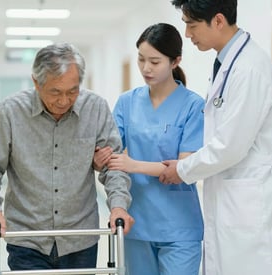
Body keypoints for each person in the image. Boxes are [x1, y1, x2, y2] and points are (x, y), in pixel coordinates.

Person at [159, 1, 272, 275]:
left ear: (218, 20)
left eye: (191, 24)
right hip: (234, 195)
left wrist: (182, 169)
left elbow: (229, 148)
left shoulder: (249, 68)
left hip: (251, 200)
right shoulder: (229, 63)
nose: (187, 34)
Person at [0, 43, 134, 272]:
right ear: (36, 83)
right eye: (55, 92)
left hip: (80, 237)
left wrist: (118, 206)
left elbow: (114, 166)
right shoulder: (10, 111)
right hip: (27, 238)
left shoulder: (96, 108)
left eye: (73, 91)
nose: (64, 100)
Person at [94, 23, 204, 275]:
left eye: (155, 62)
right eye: (141, 59)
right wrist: (99, 158)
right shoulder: (127, 102)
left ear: (175, 61)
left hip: (180, 227)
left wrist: (133, 165)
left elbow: (184, 167)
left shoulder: (192, 105)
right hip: (137, 222)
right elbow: (110, 153)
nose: (146, 68)